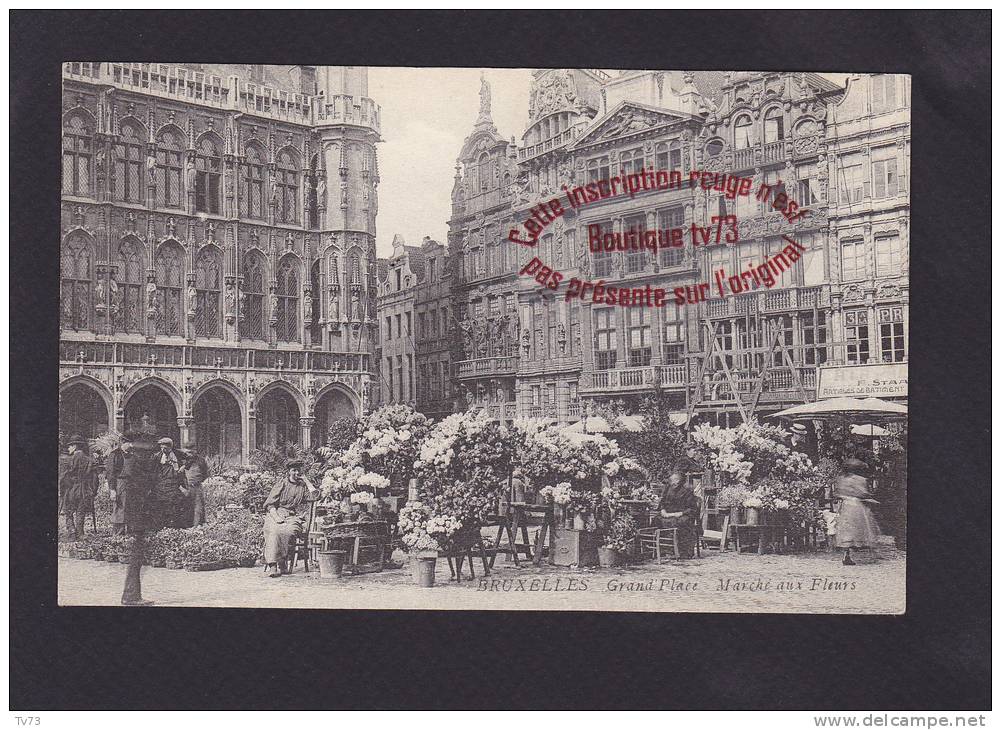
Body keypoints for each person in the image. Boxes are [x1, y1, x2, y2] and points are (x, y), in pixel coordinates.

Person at [119, 432, 159, 606]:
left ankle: (133, 595)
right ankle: (131, 596)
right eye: (148, 450)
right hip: (137, 517)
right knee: (136, 557)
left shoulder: (138, 464)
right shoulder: (134, 465)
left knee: (137, 557)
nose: (151, 453)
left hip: (138, 517)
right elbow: (133, 493)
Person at [262, 460, 319, 578]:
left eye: (298, 470)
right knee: (274, 531)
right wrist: (276, 517)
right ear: (289, 471)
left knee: (289, 531)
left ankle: (282, 561)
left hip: (292, 516)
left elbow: (316, 496)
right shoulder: (281, 483)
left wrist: (306, 480)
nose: (296, 472)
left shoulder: (302, 486)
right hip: (276, 513)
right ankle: (274, 566)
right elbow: (270, 504)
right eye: (294, 470)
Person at [834, 458, 881, 566]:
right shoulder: (860, 480)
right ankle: (872, 551)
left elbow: (837, 492)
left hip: (845, 506)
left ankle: (846, 554)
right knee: (865, 527)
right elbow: (863, 493)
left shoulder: (841, 479)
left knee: (846, 530)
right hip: (856, 506)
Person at [59, 435, 97, 540]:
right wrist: (93, 491)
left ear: (75, 446)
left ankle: (71, 532)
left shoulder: (67, 460)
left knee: (69, 511)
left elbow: (63, 478)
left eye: (70, 446)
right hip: (84, 490)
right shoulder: (90, 460)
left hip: (70, 489)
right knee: (81, 511)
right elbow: (95, 478)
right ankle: (80, 533)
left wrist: (62, 491)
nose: (68, 448)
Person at [656, 470, 701, 559]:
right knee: (656, 519)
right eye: (671, 481)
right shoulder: (667, 488)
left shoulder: (687, 491)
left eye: (674, 481)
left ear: (678, 481)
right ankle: (663, 549)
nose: (672, 483)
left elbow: (692, 508)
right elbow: (662, 502)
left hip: (682, 515)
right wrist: (662, 510)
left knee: (681, 522)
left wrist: (679, 513)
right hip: (668, 514)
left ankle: (682, 551)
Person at [148, 437, 189, 529]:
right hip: (160, 484)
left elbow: (192, 458)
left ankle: (175, 527)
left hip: (174, 483)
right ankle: (160, 527)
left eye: (165, 448)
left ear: (171, 447)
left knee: (175, 504)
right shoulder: (156, 456)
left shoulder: (178, 454)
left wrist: (184, 466)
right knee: (159, 505)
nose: (163, 449)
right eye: (161, 447)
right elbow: (150, 470)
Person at [105, 435, 135, 535]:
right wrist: (112, 490)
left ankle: (130, 531)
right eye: (129, 443)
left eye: (131, 443)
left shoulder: (131, 454)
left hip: (130, 484)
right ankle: (118, 533)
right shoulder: (115, 454)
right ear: (123, 443)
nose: (131, 445)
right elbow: (110, 473)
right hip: (119, 483)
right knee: (119, 507)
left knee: (130, 507)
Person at [182, 442, 209, 527]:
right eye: (187, 452)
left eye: (191, 452)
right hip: (184, 487)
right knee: (184, 507)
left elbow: (205, 474)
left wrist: (197, 481)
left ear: (195, 451)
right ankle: (185, 527)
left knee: (198, 507)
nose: (189, 454)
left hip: (197, 487)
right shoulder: (182, 460)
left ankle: (196, 527)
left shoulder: (200, 460)